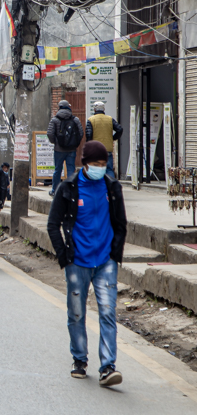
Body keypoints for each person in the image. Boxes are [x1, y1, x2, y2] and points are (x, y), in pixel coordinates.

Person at [47, 141, 127, 387]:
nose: (100, 168)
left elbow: (121, 224)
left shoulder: (112, 187)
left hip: (105, 262)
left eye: (103, 165)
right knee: (76, 313)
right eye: (95, 164)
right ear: (84, 163)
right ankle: (79, 360)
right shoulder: (68, 188)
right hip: (77, 262)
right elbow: (53, 224)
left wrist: (115, 255)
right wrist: (64, 257)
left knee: (107, 313)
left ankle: (107, 367)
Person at [47, 100, 84, 196]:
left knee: (57, 170)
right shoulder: (75, 119)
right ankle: (71, 190)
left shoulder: (55, 119)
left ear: (59, 107)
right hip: (71, 150)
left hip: (58, 150)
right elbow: (81, 133)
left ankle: (55, 190)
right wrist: (75, 144)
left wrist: (55, 142)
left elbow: (50, 133)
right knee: (71, 169)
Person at [85, 101, 123, 179]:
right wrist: (113, 138)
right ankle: (112, 187)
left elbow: (89, 135)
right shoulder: (110, 119)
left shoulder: (91, 120)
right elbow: (119, 129)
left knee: (96, 169)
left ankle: (99, 187)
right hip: (107, 149)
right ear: (104, 109)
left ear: (94, 110)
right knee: (109, 169)